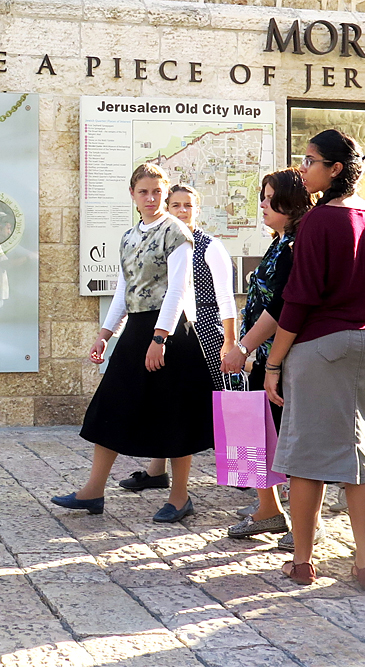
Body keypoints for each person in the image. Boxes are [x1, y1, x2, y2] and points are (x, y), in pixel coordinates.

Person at [262, 130, 365, 591]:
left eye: (310, 159)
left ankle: (303, 562)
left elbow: (297, 301)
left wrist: (273, 362)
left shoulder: (318, 221)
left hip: (320, 346)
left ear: (335, 169)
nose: (303, 168)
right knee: (359, 456)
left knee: (307, 458)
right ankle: (364, 563)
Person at [50, 161, 214, 522]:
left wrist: (161, 337)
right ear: (133, 195)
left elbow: (177, 290)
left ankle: (180, 496)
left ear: (165, 193)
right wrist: (105, 332)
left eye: (158, 192)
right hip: (137, 329)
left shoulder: (177, 233)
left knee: (175, 414)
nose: (152, 198)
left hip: (169, 332)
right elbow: (124, 290)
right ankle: (93, 491)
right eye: (144, 191)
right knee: (111, 405)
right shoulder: (129, 236)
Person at [119, 184, 237, 492]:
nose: (182, 211)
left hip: (207, 333)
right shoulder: (161, 240)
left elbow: (226, 297)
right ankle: (157, 470)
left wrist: (230, 339)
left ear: (197, 210)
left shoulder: (209, 246)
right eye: (176, 205)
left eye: (188, 205)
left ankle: (241, 471)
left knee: (220, 404)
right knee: (168, 402)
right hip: (176, 331)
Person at [220, 169, 314, 546]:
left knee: (288, 437)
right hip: (264, 355)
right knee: (253, 431)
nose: (261, 203)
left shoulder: (295, 247)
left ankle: (307, 521)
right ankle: (268, 509)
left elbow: (281, 305)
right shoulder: (280, 243)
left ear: (289, 201)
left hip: (285, 356)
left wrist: (243, 346)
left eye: (268, 196)